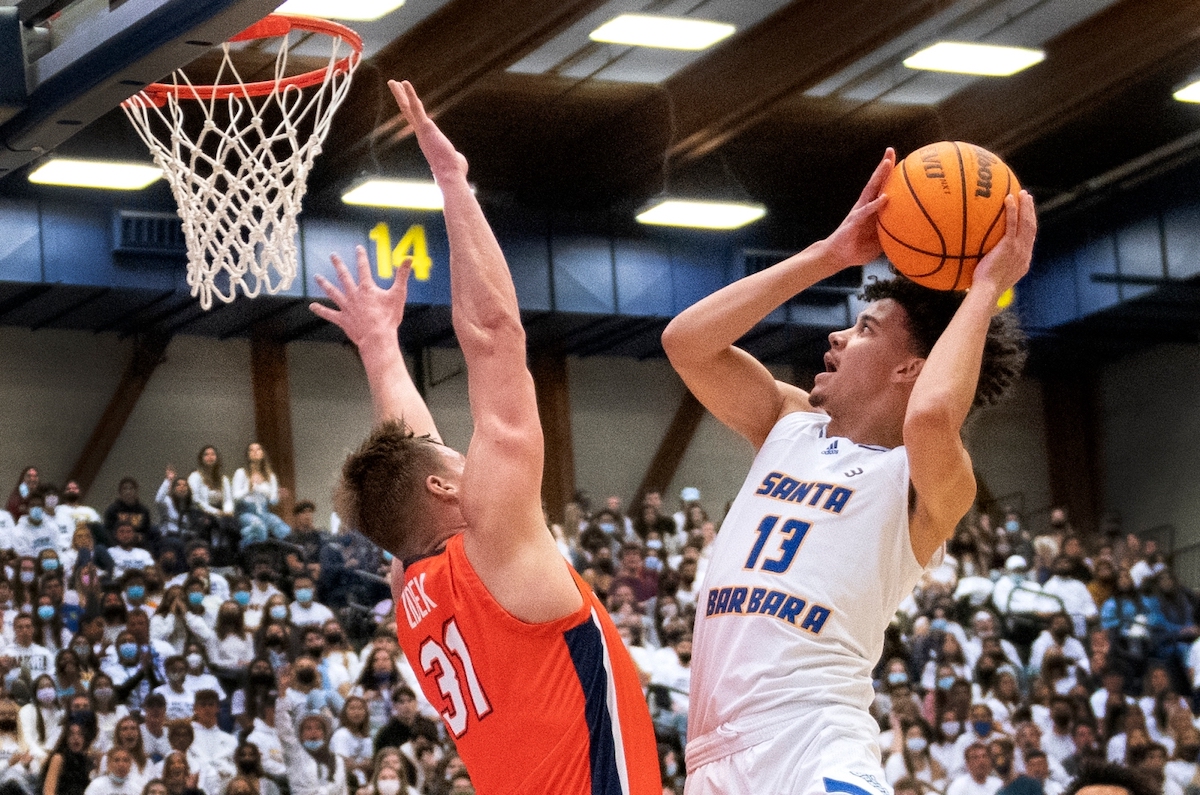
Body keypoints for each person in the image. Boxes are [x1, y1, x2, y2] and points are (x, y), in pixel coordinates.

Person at [311, 80, 659, 795]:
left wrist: (381, 347)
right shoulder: (496, 546)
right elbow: (495, 337)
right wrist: (453, 182)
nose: (467, 454)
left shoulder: (411, 592)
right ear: (445, 486)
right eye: (455, 458)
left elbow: (405, 458)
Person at [660, 144, 1034, 793]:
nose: (834, 338)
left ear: (909, 368)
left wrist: (983, 289)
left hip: (811, 743)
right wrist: (828, 254)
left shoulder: (925, 475)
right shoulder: (787, 421)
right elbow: (685, 342)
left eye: (861, 328)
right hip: (712, 756)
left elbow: (929, 417)